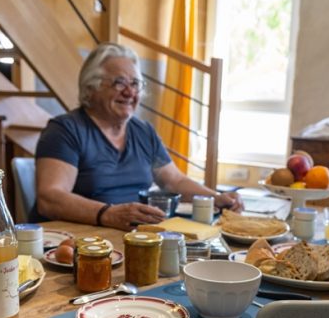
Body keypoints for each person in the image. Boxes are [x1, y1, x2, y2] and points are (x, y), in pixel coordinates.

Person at [30, 42, 242, 230]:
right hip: (76, 240)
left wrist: (215, 197)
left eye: (135, 84)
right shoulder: (64, 130)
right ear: (91, 87)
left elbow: (174, 181)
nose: (130, 92)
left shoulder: (144, 132)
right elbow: (50, 198)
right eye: (119, 83)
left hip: (128, 235)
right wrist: (109, 214)